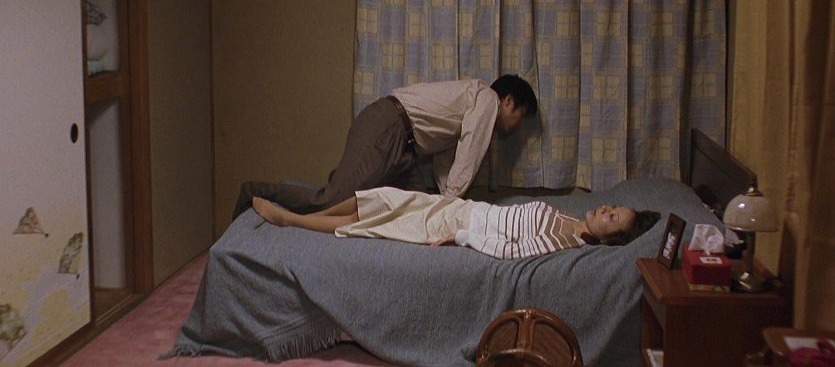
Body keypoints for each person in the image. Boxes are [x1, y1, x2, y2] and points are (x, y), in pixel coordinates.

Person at [232, 75, 538, 217]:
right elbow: (469, 156)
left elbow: (450, 164)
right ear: (508, 101)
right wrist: (450, 207)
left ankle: (344, 180)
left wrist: (443, 203)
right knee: (331, 201)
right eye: (521, 115)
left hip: (406, 148)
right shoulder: (487, 100)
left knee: (409, 213)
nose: (518, 125)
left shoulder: (471, 103)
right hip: (389, 126)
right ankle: (256, 192)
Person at [251, 187, 660, 260]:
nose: (604, 209)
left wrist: (463, 237)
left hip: (458, 222)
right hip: (463, 206)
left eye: (612, 217)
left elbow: (511, 251)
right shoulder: (570, 218)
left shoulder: (563, 242)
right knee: (381, 196)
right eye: (612, 207)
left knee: (376, 221)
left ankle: (292, 220)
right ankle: (307, 216)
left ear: (611, 240)